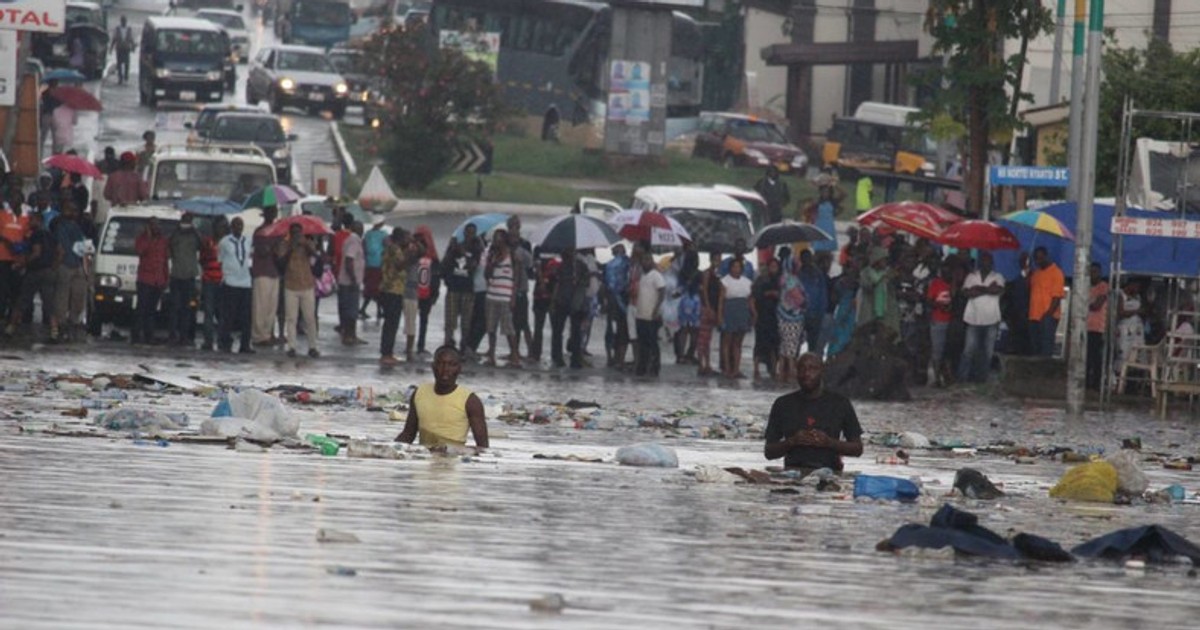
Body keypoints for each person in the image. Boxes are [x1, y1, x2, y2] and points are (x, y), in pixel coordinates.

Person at [764, 353, 864, 473]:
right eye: (802, 368)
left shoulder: (840, 403)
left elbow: (857, 449)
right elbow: (769, 452)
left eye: (812, 368)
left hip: (829, 473)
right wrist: (793, 441)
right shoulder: (783, 404)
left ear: (822, 371)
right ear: (796, 372)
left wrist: (828, 442)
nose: (807, 374)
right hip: (793, 472)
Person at [395, 346, 489, 450]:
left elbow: (483, 447)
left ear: (459, 368)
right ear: (433, 366)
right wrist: (390, 448)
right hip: (425, 459)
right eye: (440, 364)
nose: (445, 370)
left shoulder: (470, 401)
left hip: (454, 459)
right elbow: (408, 434)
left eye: (451, 365)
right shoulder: (419, 393)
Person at [958, 251, 1005, 384]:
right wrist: (986, 289)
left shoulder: (998, 276)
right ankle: (963, 379)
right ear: (979, 263)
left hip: (991, 319)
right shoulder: (971, 276)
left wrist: (978, 289)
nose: (986, 263)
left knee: (987, 352)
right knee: (968, 350)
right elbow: (967, 293)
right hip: (973, 318)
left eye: (988, 261)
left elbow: (998, 291)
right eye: (983, 261)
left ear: (992, 263)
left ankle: (981, 380)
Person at [275, 222, 320, 358]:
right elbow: (281, 263)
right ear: (290, 233)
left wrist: (305, 244)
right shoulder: (284, 244)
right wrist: (291, 248)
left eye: (298, 232)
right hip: (290, 285)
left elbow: (316, 257)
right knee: (291, 318)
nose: (296, 235)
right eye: (294, 232)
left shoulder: (307, 243)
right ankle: (292, 347)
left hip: (307, 284)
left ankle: (312, 347)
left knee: (310, 318)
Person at [6, 212, 53, 337]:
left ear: (38, 220)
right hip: (48, 271)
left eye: (31, 220)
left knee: (22, 300)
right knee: (49, 303)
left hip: (35, 271)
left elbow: (36, 253)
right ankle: (55, 331)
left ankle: (11, 326)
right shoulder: (49, 234)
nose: (28, 223)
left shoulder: (36, 234)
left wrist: (23, 263)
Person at [51, 202, 88, 342]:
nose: (73, 213)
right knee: (62, 299)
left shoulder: (78, 227)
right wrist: (56, 265)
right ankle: (62, 328)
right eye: (69, 210)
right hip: (65, 265)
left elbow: (85, 247)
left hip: (77, 265)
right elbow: (60, 248)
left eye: (75, 210)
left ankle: (71, 326)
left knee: (78, 299)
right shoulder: (60, 226)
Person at [482, 229, 519, 367]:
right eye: (495, 238)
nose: (497, 240)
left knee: (508, 329)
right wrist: (491, 262)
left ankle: (514, 356)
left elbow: (516, 278)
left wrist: (513, 297)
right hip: (492, 294)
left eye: (499, 238)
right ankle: (491, 356)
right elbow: (486, 275)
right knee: (491, 328)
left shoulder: (512, 255)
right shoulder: (492, 255)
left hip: (505, 296)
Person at [218, 217, 254, 354]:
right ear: (231, 227)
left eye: (241, 225)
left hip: (246, 283)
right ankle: (225, 342)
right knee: (229, 315)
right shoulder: (225, 242)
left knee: (246, 316)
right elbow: (220, 259)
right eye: (236, 225)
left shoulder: (248, 240)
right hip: (230, 282)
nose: (239, 227)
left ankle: (245, 344)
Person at [131, 217, 168, 345]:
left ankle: (149, 336)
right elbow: (140, 251)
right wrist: (149, 237)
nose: (157, 227)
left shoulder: (163, 240)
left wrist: (165, 278)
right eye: (153, 225)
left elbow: (164, 261)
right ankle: (136, 335)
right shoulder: (142, 239)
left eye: (158, 225)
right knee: (141, 309)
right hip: (145, 279)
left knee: (152, 311)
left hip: (158, 280)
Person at [550, 246, 588, 369]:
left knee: (575, 331)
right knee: (558, 330)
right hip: (562, 300)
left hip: (575, 302)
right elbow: (556, 282)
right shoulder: (561, 266)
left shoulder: (581, 266)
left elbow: (586, 283)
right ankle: (557, 357)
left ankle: (575, 359)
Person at [167, 213, 202, 345]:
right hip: (176, 274)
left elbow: (201, 245)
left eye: (189, 220)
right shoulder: (176, 234)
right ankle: (172, 334)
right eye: (186, 220)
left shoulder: (194, 235)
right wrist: (178, 229)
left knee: (187, 308)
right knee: (175, 307)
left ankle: (184, 336)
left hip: (189, 275)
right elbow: (169, 245)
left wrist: (194, 229)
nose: (187, 222)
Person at [442, 229, 478, 350]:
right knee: (450, 319)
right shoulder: (455, 248)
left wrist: (463, 253)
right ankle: (448, 341)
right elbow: (444, 264)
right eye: (468, 233)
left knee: (466, 321)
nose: (469, 235)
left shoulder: (475, 249)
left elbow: (473, 266)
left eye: (472, 233)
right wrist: (452, 249)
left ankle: (464, 344)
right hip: (453, 287)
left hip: (467, 288)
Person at [719, 258, 755, 379]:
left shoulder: (747, 282)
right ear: (730, 268)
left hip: (742, 311)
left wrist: (753, 313)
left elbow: (750, 300)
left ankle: (736, 369)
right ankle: (727, 369)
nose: (736, 269)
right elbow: (721, 301)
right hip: (729, 310)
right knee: (727, 340)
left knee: (738, 342)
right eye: (734, 267)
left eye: (738, 267)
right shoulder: (725, 281)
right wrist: (720, 315)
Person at [251, 205, 282, 347]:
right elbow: (263, 251)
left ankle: (268, 333)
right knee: (261, 306)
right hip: (262, 272)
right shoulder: (260, 232)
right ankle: (259, 336)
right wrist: (274, 245)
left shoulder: (277, 232)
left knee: (271, 306)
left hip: (274, 271)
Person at [378, 228, 409, 366]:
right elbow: (400, 265)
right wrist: (409, 255)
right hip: (393, 290)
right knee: (391, 323)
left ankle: (387, 352)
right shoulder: (395, 249)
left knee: (390, 323)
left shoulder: (389, 247)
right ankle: (386, 353)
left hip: (388, 289)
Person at [633, 251, 666, 377]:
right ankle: (642, 366)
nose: (645, 262)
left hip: (651, 315)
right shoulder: (642, 276)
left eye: (648, 260)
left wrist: (656, 310)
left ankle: (655, 367)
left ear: (651, 261)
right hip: (641, 314)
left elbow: (662, 292)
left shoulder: (656, 275)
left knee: (652, 342)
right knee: (643, 343)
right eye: (643, 260)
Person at [1028, 246, 1065, 357]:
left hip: (1048, 316)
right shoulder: (1036, 273)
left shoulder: (1056, 272)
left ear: (1046, 257)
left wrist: (1048, 315)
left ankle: (1045, 372)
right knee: (1035, 348)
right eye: (1036, 259)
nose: (1038, 261)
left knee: (1046, 348)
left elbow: (1057, 297)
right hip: (1033, 316)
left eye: (1040, 258)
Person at [777, 250, 807, 382]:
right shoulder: (791, 280)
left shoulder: (785, 278)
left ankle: (782, 372)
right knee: (791, 346)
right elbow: (799, 299)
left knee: (785, 346)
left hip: (783, 314)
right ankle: (791, 373)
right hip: (791, 317)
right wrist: (806, 301)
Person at [198, 217, 227, 351]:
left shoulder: (227, 243)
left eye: (223, 227)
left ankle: (222, 340)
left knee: (221, 313)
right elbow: (202, 259)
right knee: (208, 312)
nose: (221, 229)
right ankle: (208, 341)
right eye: (219, 227)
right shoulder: (207, 242)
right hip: (209, 279)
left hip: (222, 281)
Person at [857, 247, 899, 335]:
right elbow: (869, 287)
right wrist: (883, 278)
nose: (886, 262)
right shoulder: (866, 272)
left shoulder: (886, 272)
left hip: (885, 311)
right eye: (884, 260)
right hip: (869, 310)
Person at [0, 194, 29, 320]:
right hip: (2, 257)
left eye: (15, 199)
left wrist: (20, 249)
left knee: (16, 289)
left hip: (18, 259)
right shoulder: (3, 214)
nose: (12, 201)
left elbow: (28, 236)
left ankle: (12, 316)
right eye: (11, 198)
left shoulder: (26, 217)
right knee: (2, 287)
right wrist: (8, 243)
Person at [337, 220, 366, 346]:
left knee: (348, 309)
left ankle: (349, 335)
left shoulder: (350, 240)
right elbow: (349, 260)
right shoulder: (354, 241)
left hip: (346, 281)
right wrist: (353, 279)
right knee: (351, 310)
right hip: (349, 283)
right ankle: (350, 336)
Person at [603, 243, 631, 368]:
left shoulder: (609, 265)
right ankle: (619, 358)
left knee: (611, 329)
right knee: (622, 331)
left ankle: (611, 358)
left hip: (612, 301)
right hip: (623, 301)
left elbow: (605, 285)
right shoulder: (628, 263)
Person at [926, 262, 954, 386]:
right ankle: (933, 378)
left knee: (947, 351)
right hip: (938, 319)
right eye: (944, 270)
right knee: (937, 350)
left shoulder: (954, 284)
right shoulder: (936, 283)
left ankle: (944, 377)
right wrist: (941, 306)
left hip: (951, 321)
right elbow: (929, 301)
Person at [753, 257, 781, 380]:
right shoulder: (761, 280)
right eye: (772, 266)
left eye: (776, 266)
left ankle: (774, 368)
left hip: (776, 316)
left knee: (774, 344)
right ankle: (756, 369)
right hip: (762, 314)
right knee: (760, 342)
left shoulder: (781, 280)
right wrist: (768, 293)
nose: (773, 268)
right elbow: (755, 296)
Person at [413, 226, 440, 357]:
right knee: (416, 320)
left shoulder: (430, 257)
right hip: (416, 292)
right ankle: (417, 345)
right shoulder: (430, 256)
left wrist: (435, 293)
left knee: (422, 320)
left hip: (425, 293)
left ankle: (419, 345)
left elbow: (436, 277)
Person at [696, 251, 721, 377]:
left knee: (708, 338)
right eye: (716, 259)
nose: (718, 261)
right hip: (707, 308)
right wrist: (708, 307)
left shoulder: (717, 275)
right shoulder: (707, 273)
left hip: (713, 307)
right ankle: (702, 364)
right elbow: (705, 290)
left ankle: (707, 364)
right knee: (703, 339)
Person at [1085, 262, 1108, 391]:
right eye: (1091, 272)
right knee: (1087, 358)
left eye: (1095, 272)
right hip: (1086, 327)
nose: (1093, 275)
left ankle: (1097, 385)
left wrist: (1084, 304)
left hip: (1098, 328)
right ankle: (1088, 383)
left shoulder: (1103, 287)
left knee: (1096, 358)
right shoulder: (1086, 286)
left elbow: (1097, 305)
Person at [359, 220, 388, 320]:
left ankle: (374, 310)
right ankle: (378, 310)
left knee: (370, 288)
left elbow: (363, 247)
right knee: (377, 289)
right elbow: (387, 246)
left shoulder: (367, 234)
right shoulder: (384, 235)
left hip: (369, 264)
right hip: (379, 264)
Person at [112, 15, 135, 85]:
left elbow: (131, 38)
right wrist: (111, 47)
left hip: (126, 48)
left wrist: (133, 46)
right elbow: (114, 38)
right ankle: (120, 78)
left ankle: (126, 76)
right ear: (121, 21)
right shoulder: (117, 28)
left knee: (126, 63)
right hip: (119, 48)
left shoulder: (129, 29)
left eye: (124, 21)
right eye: (122, 21)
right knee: (119, 63)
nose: (124, 22)